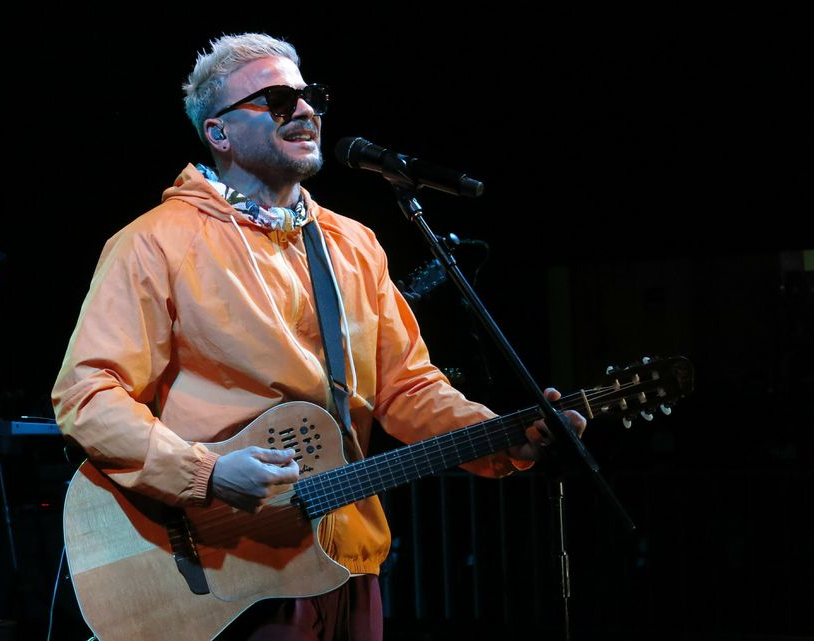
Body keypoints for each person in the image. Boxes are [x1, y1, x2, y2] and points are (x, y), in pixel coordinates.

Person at [52, 32, 586, 641]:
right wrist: (205, 473)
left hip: (346, 554)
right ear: (219, 134)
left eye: (311, 97)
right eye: (278, 101)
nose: (305, 110)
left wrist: (505, 437)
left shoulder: (352, 244)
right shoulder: (153, 243)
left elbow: (406, 388)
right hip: (231, 569)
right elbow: (87, 395)